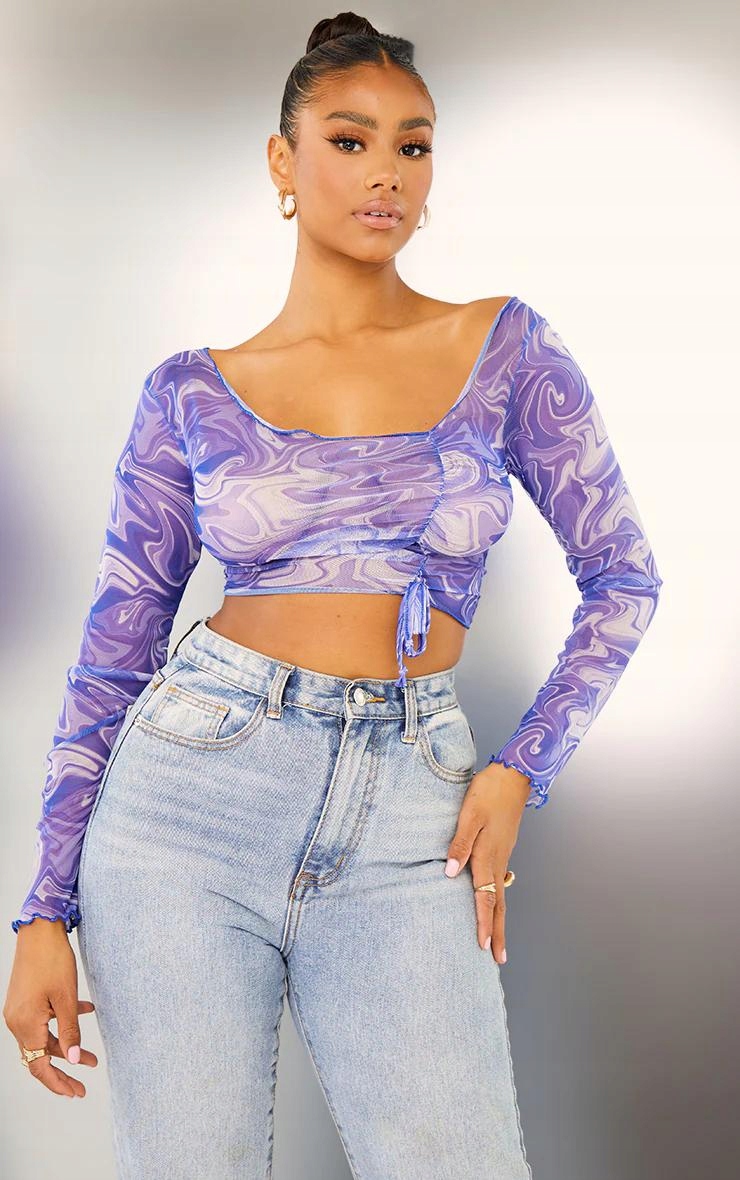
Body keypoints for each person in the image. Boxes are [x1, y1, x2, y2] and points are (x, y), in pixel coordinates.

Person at [4, 12, 662, 1179]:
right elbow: (114, 650)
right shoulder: (189, 393)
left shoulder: (505, 349)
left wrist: (519, 768)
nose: (384, 174)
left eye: (412, 146)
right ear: (282, 161)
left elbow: (623, 575)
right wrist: (43, 911)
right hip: (187, 804)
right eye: (350, 141)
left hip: (414, 808)